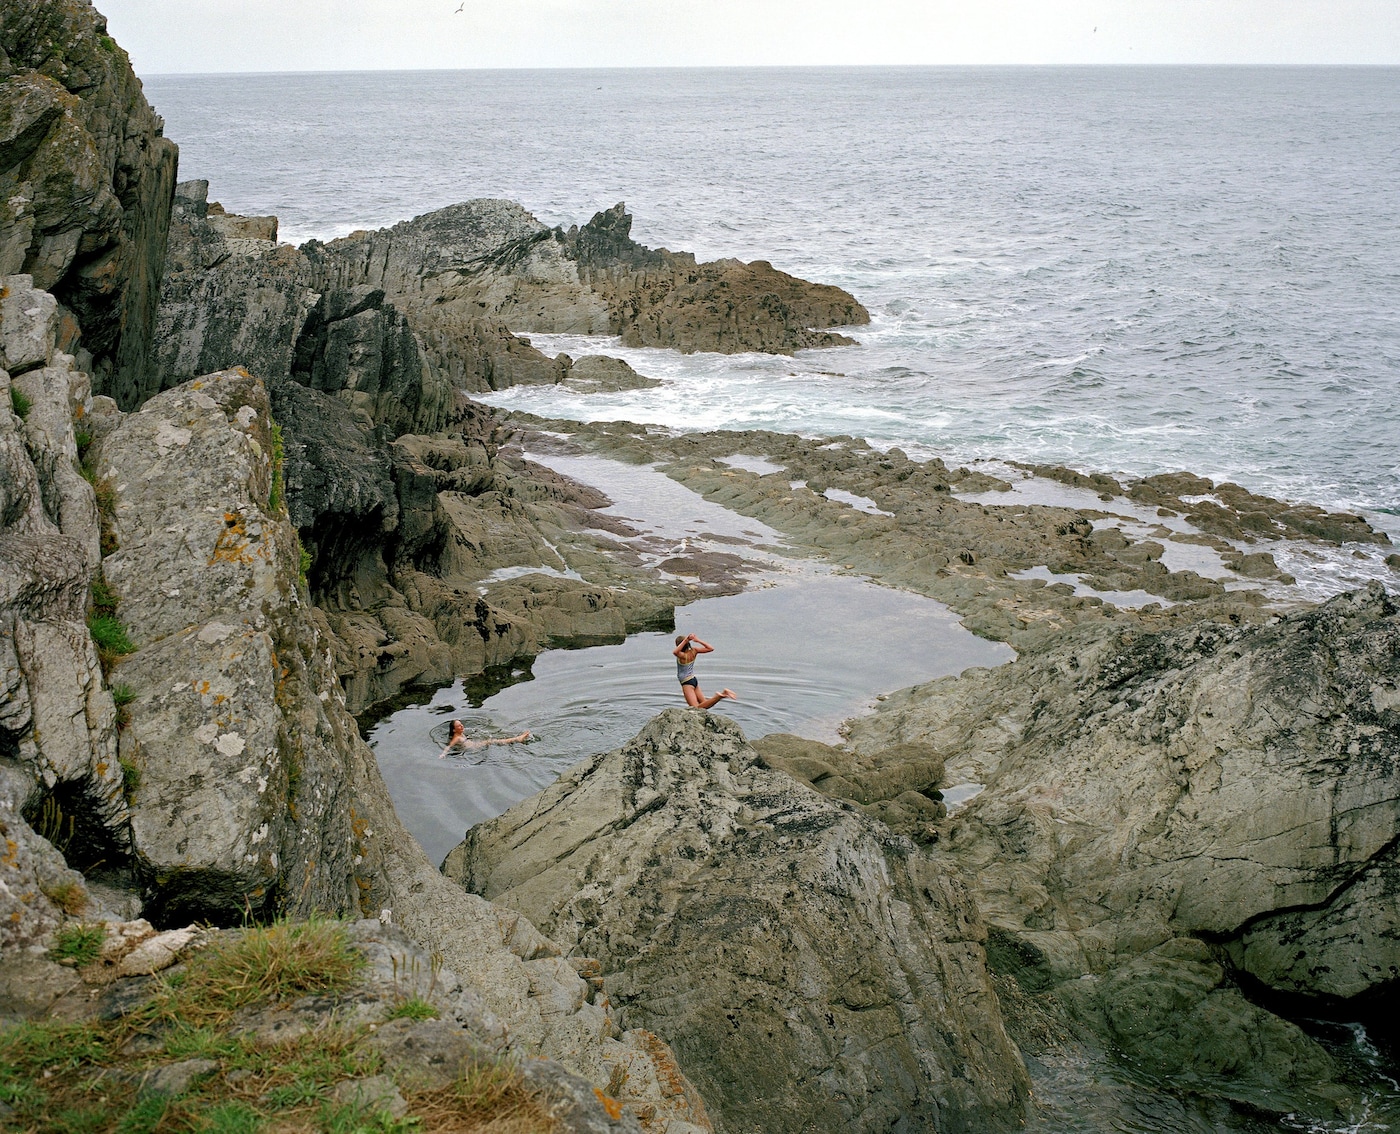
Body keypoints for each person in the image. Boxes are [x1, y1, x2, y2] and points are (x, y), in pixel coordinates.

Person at [673, 633, 736, 709]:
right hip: (693, 680)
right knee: (704, 704)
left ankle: (719, 696)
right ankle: (722, 694)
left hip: (687, 683)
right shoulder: (694, 651)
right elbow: (710, 648)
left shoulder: (682, 656)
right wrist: (697, 640)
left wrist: (686, 640)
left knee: (695, 708)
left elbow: (675, 652)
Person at [439, 719, 531, 758]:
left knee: (494, 740)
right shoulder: (456, 738)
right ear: (454, 730)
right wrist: (443, 754)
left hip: (474, 745)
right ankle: (517, 739)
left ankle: (516, 739)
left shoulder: (461, 734)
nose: (462, 726)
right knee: (494, 741)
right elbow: (449, 746)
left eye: (461, 724)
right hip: (475, 747)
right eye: (459, 726)